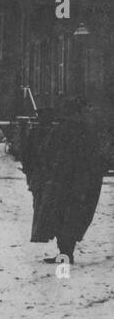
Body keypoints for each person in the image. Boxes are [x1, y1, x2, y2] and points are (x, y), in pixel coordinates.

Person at [28, 97, 107, 263]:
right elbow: (98, 158)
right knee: (73, 217)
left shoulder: (63, 129)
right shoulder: (88, 130)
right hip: (83, 183)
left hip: (62, 182)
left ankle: (65, 254)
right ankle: (66, 253)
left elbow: (47, 153)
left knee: (59, 215)